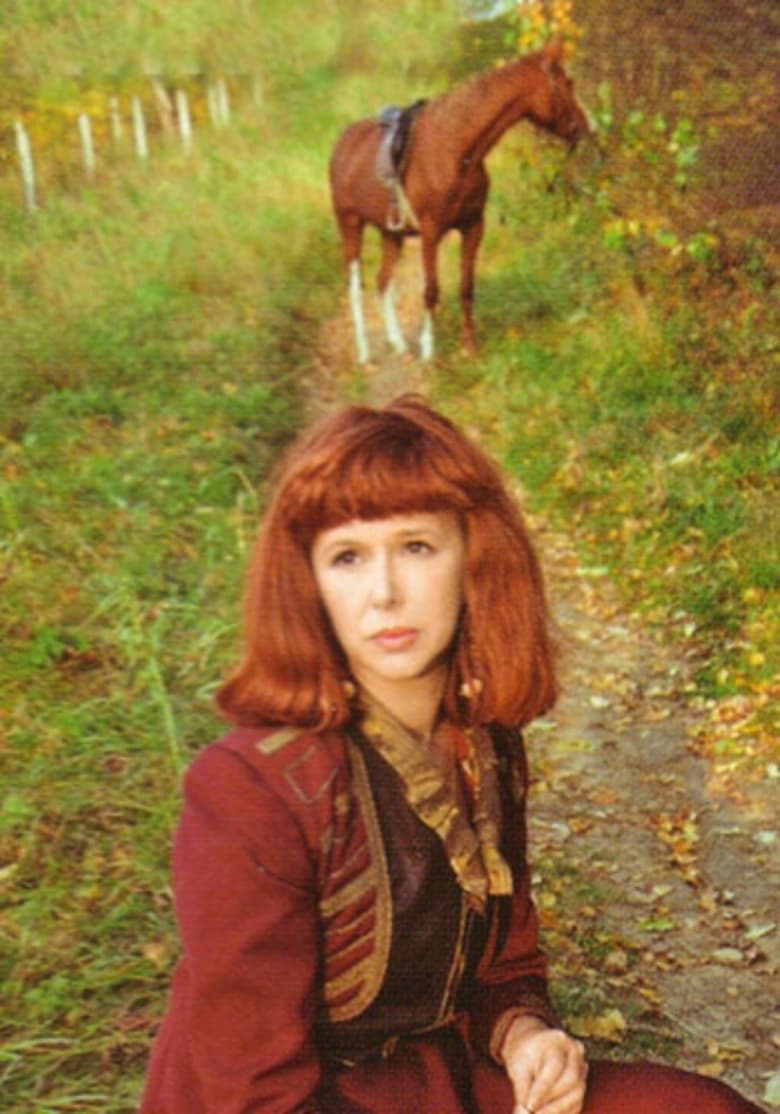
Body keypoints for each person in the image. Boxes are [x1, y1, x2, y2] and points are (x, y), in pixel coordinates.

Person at [140, 396, 764, 1114]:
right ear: (309, 584)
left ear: (474, 558)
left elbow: (505, 965)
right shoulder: (250, 789)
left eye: (416, 547)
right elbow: (251, 1092)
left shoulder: (485, 744)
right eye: (347, 557)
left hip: (439, 1085)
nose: (385, 593)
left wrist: (525, 1033)